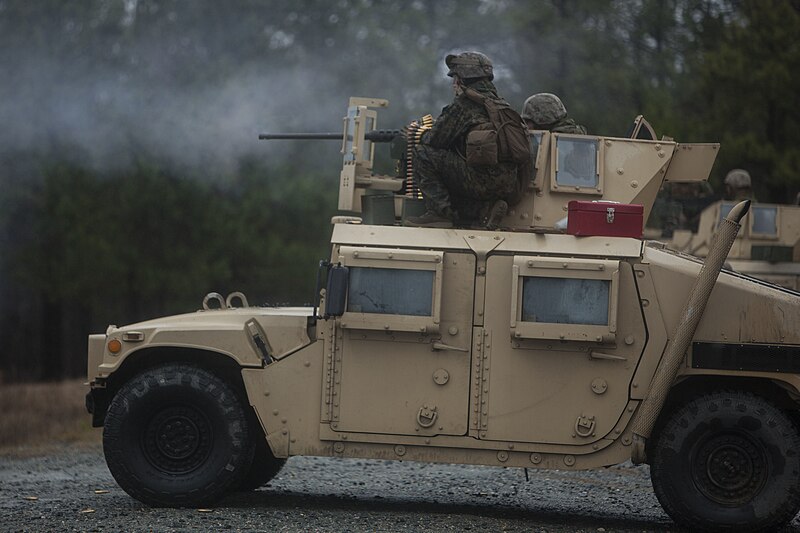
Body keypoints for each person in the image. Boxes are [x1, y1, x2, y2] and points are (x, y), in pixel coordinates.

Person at [404, 51, 520, 229]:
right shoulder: (501, 105)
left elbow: (432, 141)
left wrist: (425, 130)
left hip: (480, 181)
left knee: (423, 154)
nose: (453, 84)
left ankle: (439, 214)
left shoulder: (464, 106)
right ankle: (484, 210)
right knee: (459, 171)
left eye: (454, 78)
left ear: (460, 80)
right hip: (508, 186)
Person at [521, 93, 586, 134]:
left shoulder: (559, 141)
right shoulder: (573, 139)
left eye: (527, 122)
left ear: (542, 119)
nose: (526, 126)